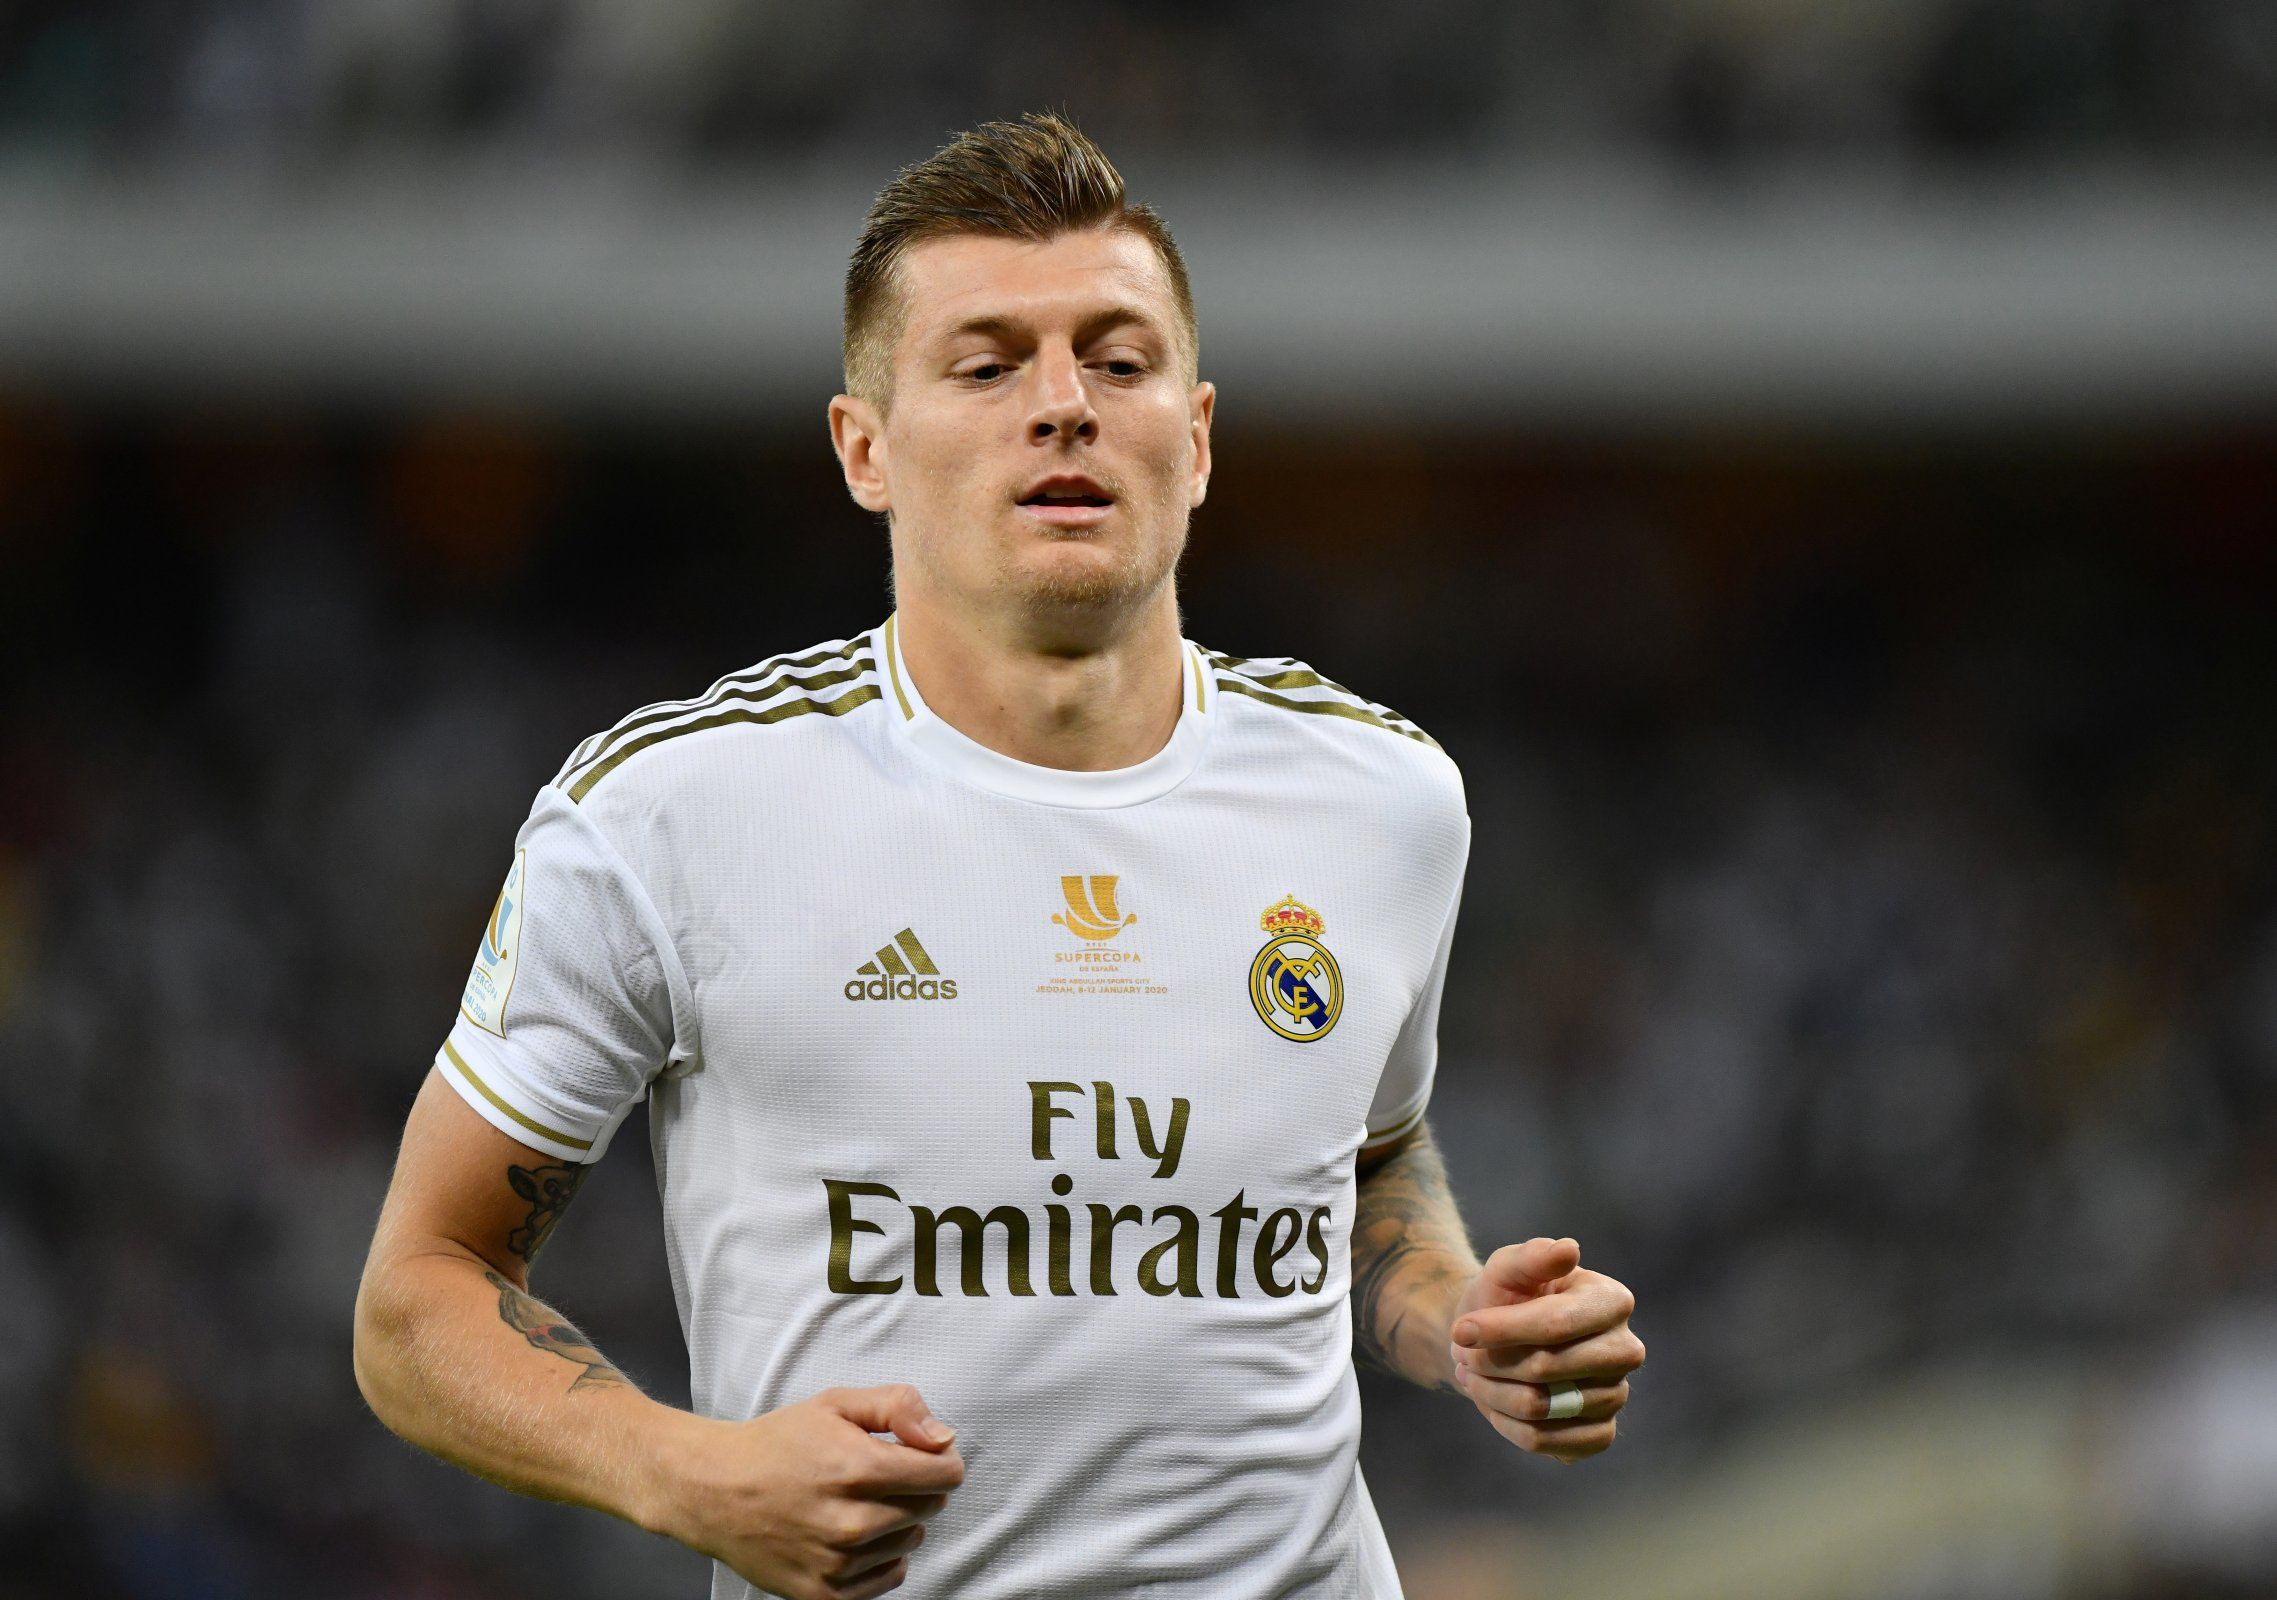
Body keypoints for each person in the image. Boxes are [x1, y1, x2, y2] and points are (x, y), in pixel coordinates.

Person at [351, 111, 1644, 1600]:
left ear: (1197, 438)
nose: (1064, 406)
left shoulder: (1383, 797)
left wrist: (1458, 1315)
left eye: (1118, 360)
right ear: (865, 450)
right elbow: (416, 1297)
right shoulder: (667, 815)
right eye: (986, 366)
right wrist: (686, 1472)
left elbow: (1363, 1156)